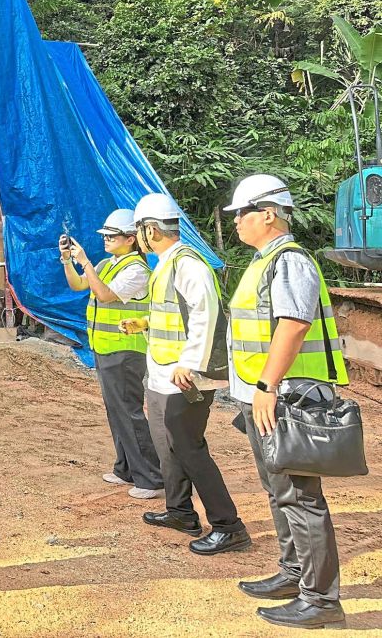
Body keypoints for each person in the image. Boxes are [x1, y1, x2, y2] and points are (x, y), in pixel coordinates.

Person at [223, 175, 349, 629]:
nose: (236, 221)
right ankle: (295, 574)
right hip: (264, 396)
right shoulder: (264, 261)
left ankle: (321, 601)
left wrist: (266, 386)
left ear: (269, 213)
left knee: (299, 496)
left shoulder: (289, 261)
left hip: (286, 397)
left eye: (242, 213)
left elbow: (293, 326)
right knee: (280, 492)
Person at [123, 193, 249, 555]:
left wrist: (190, 363)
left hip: (186, 377)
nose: (138, 237)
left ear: (150, 229)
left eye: (139, 230)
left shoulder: (188, 264)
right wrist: (145, 323)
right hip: (166, 372)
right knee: (169, 444)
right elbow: (174, 313)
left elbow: (205, 314)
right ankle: (180, 512)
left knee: (189, 447)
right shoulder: (166, 263)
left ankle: (228, 525)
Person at [61, 210, 162, 500]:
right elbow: (78, 285)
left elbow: (105, 295)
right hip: (106, 347)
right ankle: (126, 468)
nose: (106, 240)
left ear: (131, 239)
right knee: (116, 411)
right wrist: (69, 260)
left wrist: (85, 263)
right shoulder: (108, 264)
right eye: (104, 235)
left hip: (126, 349)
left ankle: (151, 477)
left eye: (112, 236)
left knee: (129, 412)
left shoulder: (136, 271)